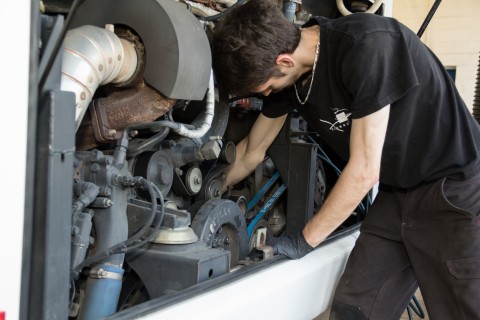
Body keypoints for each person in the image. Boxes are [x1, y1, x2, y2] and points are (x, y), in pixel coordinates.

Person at [212, 0, 480, 319]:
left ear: (283, 61)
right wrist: (212, 189)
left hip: (456, 193)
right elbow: (251, 151)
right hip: (397, 194)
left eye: (267, 88)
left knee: (465, 309)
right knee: (354, 310)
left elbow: (365, 170)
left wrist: (302, 242)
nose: (268, 95)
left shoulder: (368, 45)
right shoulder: (289, 78)